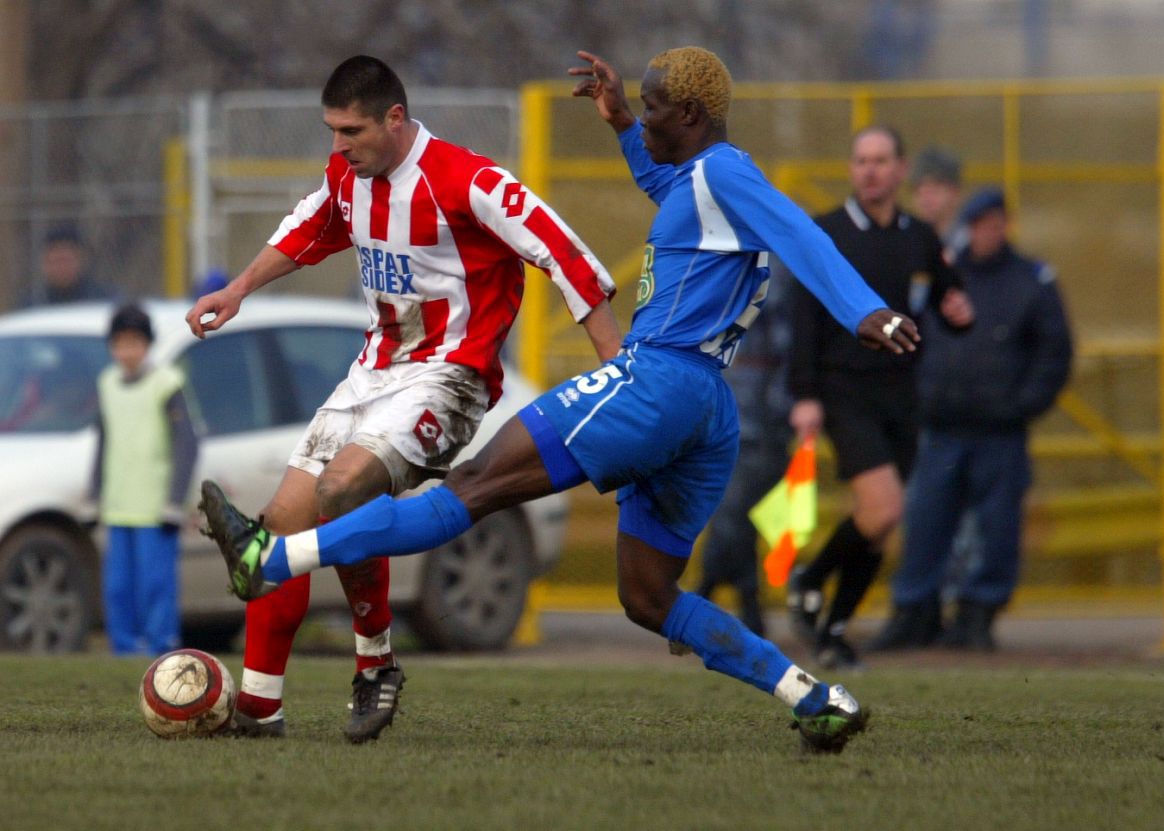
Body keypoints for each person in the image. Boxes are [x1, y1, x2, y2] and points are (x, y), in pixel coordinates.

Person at [199, 45, 924, 754]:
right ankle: (814, 697)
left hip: (655, 381)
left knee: (474, 487)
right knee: (647, 597)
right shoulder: (696, 182)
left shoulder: (727, 175)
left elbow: (799, 232)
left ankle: (272, 559)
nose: (643, 118)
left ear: (695, 114)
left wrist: (865, 310)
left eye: (653, 107)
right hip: (708, 408)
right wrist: (616, 124)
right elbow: (665, 184)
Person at [184, 55, 619, 742]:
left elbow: (563, 253)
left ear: (394, 118)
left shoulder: (468, 180)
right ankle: (260, 709)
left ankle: (376, 663)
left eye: (350, 130)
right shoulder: (347, 176)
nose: (338, 146)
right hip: (372, 371)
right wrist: (237, 289)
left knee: (342, 490)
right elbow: (304, 230)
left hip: (450, 377)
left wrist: (617, 371)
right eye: (330, 130)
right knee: (275, 533)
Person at [784, 125, 975, 670]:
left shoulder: (918, 236)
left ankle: (835, 628)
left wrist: (961, 315)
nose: (870, 169)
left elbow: (947, 299)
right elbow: (804, 318)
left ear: (899, 170)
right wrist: (805, 394)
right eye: (861, 160)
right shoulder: (828, 232)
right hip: (844, 389)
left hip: (901, 395)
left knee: (880, 521)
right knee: (885, 505)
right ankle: (813, 578)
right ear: (852, 169)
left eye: (880, 160)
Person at [870, 187, 1072, 652]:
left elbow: (1054, 353)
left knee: (998, 527)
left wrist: (1022, 404)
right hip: (940, 428)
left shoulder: (1031, 281)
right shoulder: (942, 275)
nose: (989, 232)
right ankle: (914, 611)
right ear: (970, 226)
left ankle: (977, 615)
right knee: (925, 523)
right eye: (982, 224)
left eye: (997, 223)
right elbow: (910, 335)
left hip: (1000, 431)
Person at [694, 266, 797, 636]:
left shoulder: (778, 282)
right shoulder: (717, 273)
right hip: (724, 415)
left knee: (733, 511)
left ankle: (704, 596)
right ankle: (747, 608)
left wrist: (782, 410)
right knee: (735, 515)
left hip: (764, 422)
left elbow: (792, 353)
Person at [90, 303, 198, 655]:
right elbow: (104, 441)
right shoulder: (107, 383)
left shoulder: (166, 383)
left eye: (135, 342)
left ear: (148, 344)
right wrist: (95, 494)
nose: (127, 351)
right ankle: (123, 650)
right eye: (120, 343)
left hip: (155, 508)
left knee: (156, 585)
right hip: (120, 506)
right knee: (118, 587)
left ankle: (161, 648)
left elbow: (187, 444)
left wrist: (174, 500)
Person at [20, 226, 120, 307]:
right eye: (54, 261)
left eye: (65, 260)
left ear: (81, 260)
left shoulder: (103, 302)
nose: (60, 268)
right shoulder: (33, 306)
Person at [909, 145, 967, 260]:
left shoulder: (971, 246)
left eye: (934, 191)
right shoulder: (908, 243)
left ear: (955, 193)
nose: (925, 200)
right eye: (919, 191)